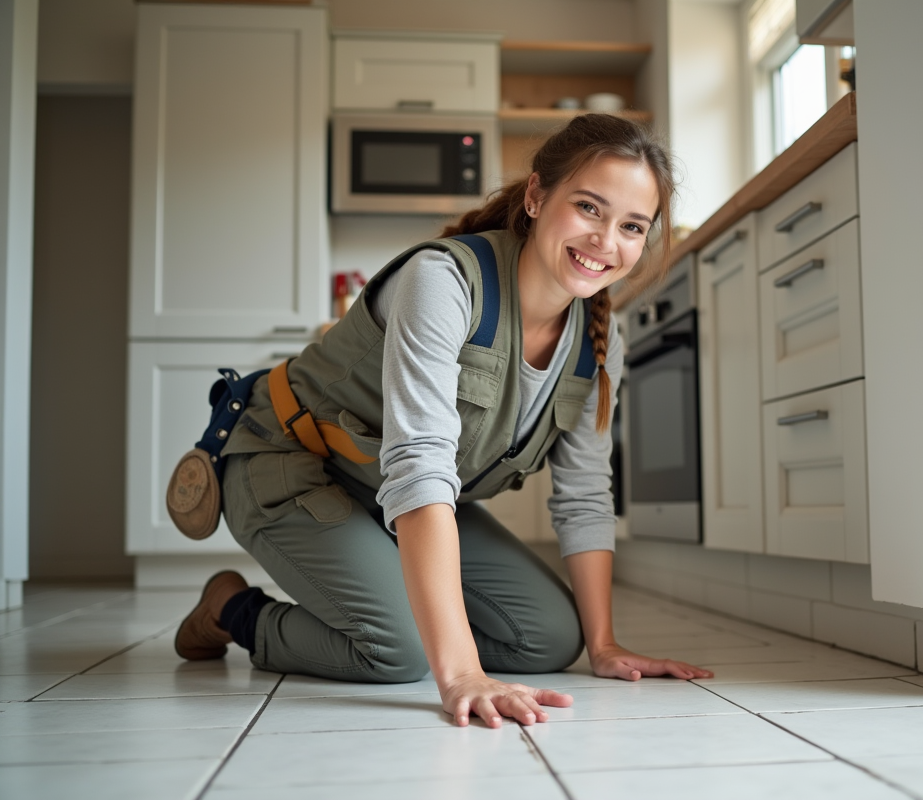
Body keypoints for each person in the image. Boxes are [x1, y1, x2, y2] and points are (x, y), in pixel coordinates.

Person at [173, 113, 713, 728]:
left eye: (632, 226)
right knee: (399, 652)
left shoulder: (598, 339)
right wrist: (460, 674)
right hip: (290, 463)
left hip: (387, 491)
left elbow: (585, 493)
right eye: (589, 207)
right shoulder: (443, 281)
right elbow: (420, 465)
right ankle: (231, 610)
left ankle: (394, 606)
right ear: (537, 197)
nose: (605, 240)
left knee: (548, 638)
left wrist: (604, 645)